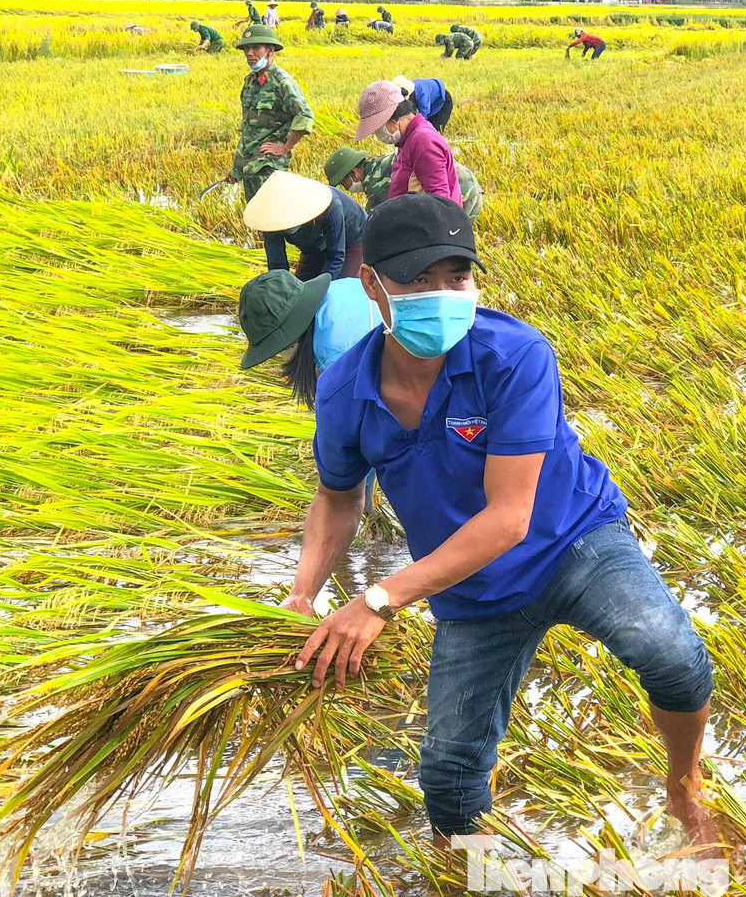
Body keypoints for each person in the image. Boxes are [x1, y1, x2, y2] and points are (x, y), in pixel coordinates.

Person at [285, 192, 720, 852]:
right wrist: (302, 592)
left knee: (672, 654)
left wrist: (378, 598)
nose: (441, 294)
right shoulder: (346, 390)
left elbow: (510, 519)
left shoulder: (513, 356)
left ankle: (683, 782)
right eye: (417, 280)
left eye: (456, 276)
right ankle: (482, 872)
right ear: (370, 282)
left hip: (574, 544)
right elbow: (338, 499)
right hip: (473, 588)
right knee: (450, 788)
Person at [237, 270, 381, 515]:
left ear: (291, 336)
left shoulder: (335, 352)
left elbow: (362, 432)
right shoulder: (339, 291)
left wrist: (358, 501)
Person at [227, 24, 314, 201]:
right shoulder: (251, 82)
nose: (250, 53)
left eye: (256, 47)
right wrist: (237, 168)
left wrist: (285, 147)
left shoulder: (282, 82)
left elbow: (305, 115)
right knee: (255, 218)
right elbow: (248, 131)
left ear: (270, 50)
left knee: (274, 220)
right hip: (250, 166)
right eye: (246, 48)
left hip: (269, 167)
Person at [244, 170, 367, 282]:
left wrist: (323, 288)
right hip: (314, 246)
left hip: (352, 240)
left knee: (339, 289)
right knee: (300, 290)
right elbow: (277, 266)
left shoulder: (330, 205)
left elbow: (336, 256)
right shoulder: (271, 220)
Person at [354, 80, 461, 204]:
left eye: (378, 128)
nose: (376, 134)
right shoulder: (406, 140)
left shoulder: (423, 141)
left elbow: (441, 201)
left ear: (394, 119)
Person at [326, 146, 484, 222]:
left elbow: (373, 223)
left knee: (451, 243)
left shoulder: (376, 183)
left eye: (343, 183)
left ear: (354, 172)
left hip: (460, 193)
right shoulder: (379, 163)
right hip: (469, 187)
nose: (346, 189)